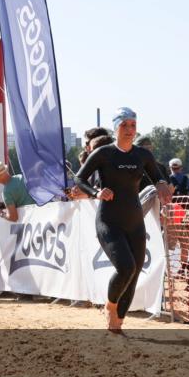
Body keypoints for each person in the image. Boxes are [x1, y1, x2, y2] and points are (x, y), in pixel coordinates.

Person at [75, 107, 172, 333]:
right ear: (115, 127)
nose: (129, 130)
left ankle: (116, 325)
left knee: (135, 272)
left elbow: (158, 177)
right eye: (124, 125)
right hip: (109, 221)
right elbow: (79, 178)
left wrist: (162, 185)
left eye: (133, 125)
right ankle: (110, 305)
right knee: (126, 267)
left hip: (135, 222)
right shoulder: (104, 153)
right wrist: (96, 192)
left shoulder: (142, 155)